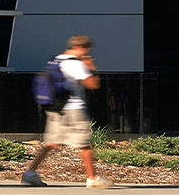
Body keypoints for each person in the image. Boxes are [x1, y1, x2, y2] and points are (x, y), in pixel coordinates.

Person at [23, 35, 112, 188]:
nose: (87, 54)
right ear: (81, 48)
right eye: (87, 50)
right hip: (74, 109)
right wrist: (91, 68)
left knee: (51, 143)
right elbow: (93, 84)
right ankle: (92, 178)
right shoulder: (76, 64)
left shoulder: (57, 60)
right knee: (84, 143)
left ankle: (30, 173)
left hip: (56, 109)